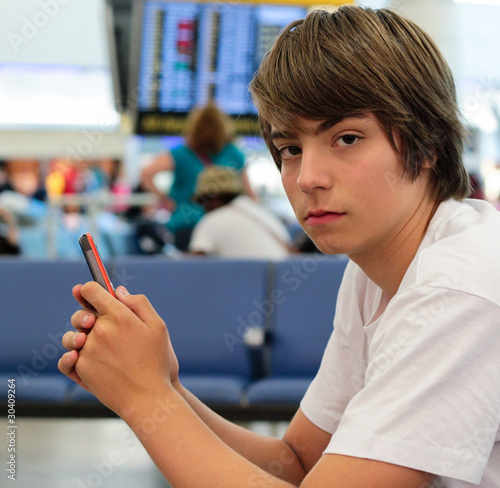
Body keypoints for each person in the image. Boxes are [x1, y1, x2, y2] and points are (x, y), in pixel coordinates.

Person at [58, 6, 500, 487]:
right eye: (290, 149)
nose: (307, 178)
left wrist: (145, 399)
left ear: (429, 143)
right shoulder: (374, 271)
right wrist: (165, 386)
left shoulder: (459, 285)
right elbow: (298, 461)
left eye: (347, 138)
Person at [140, 102, 255, 251]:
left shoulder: (181, 154)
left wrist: (165, 200)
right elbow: (250, 195)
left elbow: (146, 173)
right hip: (225, 225)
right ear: (223, 126)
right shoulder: (234, 153)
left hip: (185, 224)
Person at [188, 166, 293, 258]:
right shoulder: (257, 210)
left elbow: (196, 263)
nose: (202, 207)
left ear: (214, 198)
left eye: (202, 201)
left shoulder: (210, 221)